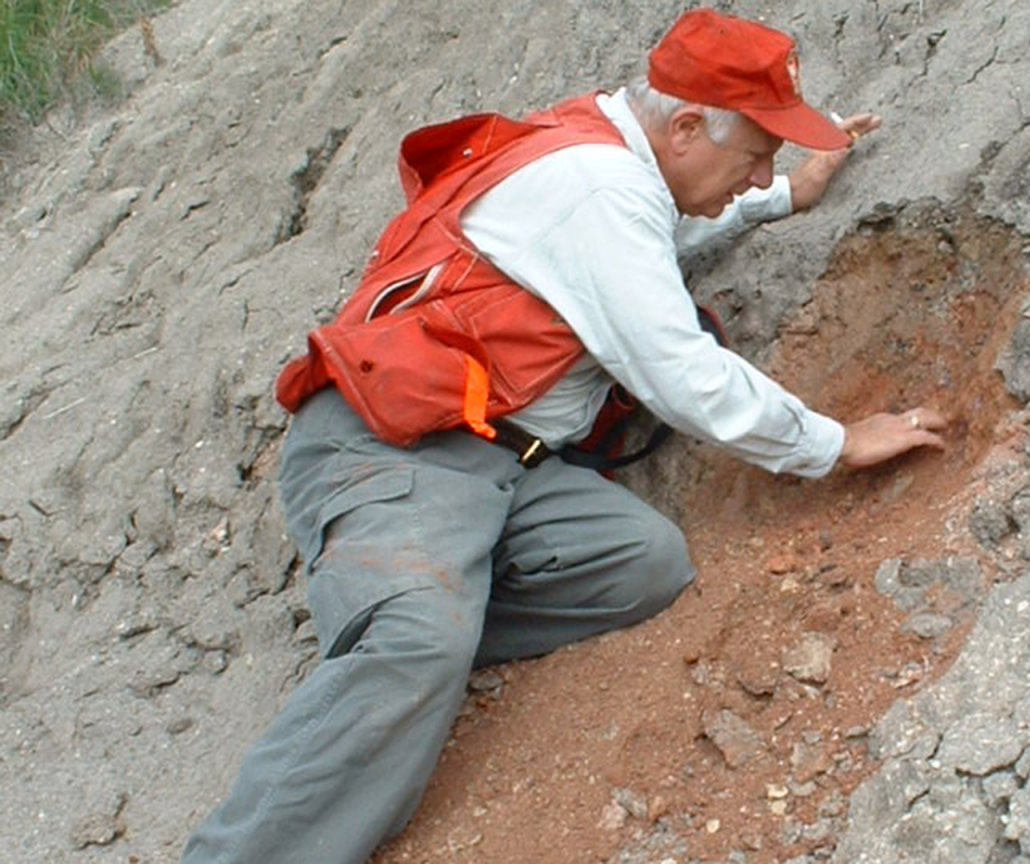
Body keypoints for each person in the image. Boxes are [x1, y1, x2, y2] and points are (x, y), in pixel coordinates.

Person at [182, 9, 945, 864]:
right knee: (418, 640)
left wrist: (784, 195)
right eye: (756, 155)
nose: (760, 172)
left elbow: (651, 231)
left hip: (502, 459)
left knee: (643, 563)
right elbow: (683, 372)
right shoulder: (597, 187)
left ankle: (426, 611)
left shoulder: (611, 162)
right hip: (395, 447)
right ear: (686, 128)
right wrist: (837, 443)